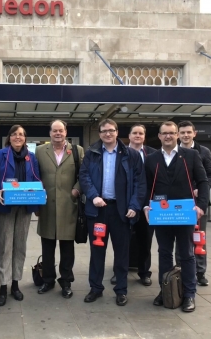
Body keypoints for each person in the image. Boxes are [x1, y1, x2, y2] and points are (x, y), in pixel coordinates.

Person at [79, 119, 146, 306]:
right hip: (98, 210)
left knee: (122, 253)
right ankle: (95, 288)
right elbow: (83, 176)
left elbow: (139, 183)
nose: (107, 134)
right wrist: (93, 196)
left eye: (111, 130)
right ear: (99, 133)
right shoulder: (92, 153)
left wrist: (134, 206)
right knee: (97, 251)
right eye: (104, 131)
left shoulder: (130, 154)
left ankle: (121, 290)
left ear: (117, 132)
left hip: (121, 211)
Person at [144, 121, 209, 312]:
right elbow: (147, 186)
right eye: (164, 133)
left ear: (177, 135)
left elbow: (203, 181)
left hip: (184, 214)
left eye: (172, 133)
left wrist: (201, 206)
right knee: (164, 253)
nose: (168, 136)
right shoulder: (152, 159)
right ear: (159, 136)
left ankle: (189, 294)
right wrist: (146, 206)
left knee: (187, 255)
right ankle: (165, 290)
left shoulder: (191, 155)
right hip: (161, 215)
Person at [0, 125, 41, 307]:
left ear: (25, 138)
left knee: (20, 246)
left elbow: (37, 179)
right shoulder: (0, 155)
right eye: (14, 134)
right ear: (9, 138)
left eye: (21, 134)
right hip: (4, 207)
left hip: (24, 207)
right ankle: (3, 286)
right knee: (5, 246)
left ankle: (15, 284)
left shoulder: (31, 157)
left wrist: (38, 192)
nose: (18, 137)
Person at [35, 120, 84, 298]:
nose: (58, 133)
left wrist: (77, 189)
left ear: (65, 132)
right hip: (46, 205)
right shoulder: (40, 151)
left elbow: (83, 174)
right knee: (47, 246)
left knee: (67, 247)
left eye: (60, 130)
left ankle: (66, 281)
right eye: (54, 131)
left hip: (69, 205)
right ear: (50, 133)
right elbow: (35, 174)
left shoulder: (77, 151)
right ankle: (48, 280)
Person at [110, 124, 156, 286]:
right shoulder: (120, 152)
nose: (138, 135)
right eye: (134, 133)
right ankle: (119, 272)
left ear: (144, 136)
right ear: (129, 136)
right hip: (125, 205)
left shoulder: (152, 154)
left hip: (147, 206)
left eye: (141, 133)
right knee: (121, 241)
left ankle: (144, 272)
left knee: (146, 240)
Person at [177, 120, 211, 287]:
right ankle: (180, 268)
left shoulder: (204, 152)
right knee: (180, 236)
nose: (185, 135)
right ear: (178, 134)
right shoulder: (173, 152)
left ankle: (200, 271)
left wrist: (200, 189)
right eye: (182, 132)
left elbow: (208, 176)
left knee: (199, 237)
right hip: (180, 203)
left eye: (188, 132)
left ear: (194, 133)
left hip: (197, 203)